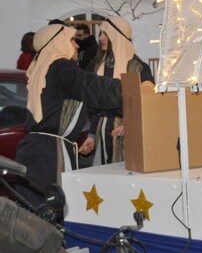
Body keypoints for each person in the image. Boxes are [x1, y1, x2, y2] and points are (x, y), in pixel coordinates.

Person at [15, 25, 122, 208]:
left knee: (36, 215)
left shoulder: (45, 68)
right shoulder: (59, 67)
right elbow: (89, 86)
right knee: (53, 216)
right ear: (58, 42)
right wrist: (126, 88)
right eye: (72, 40)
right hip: (49, 156)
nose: (77, 46)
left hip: (36, 152)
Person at [84, 17, 154, 165]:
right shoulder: (97, 65)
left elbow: (148, 103)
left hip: (128, 138)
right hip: (102, 134)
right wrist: (92, 135)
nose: (101, 38)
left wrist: (129, 124)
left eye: (106, 34)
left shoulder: (138, 68)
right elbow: (95, 104)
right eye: (100, 34)